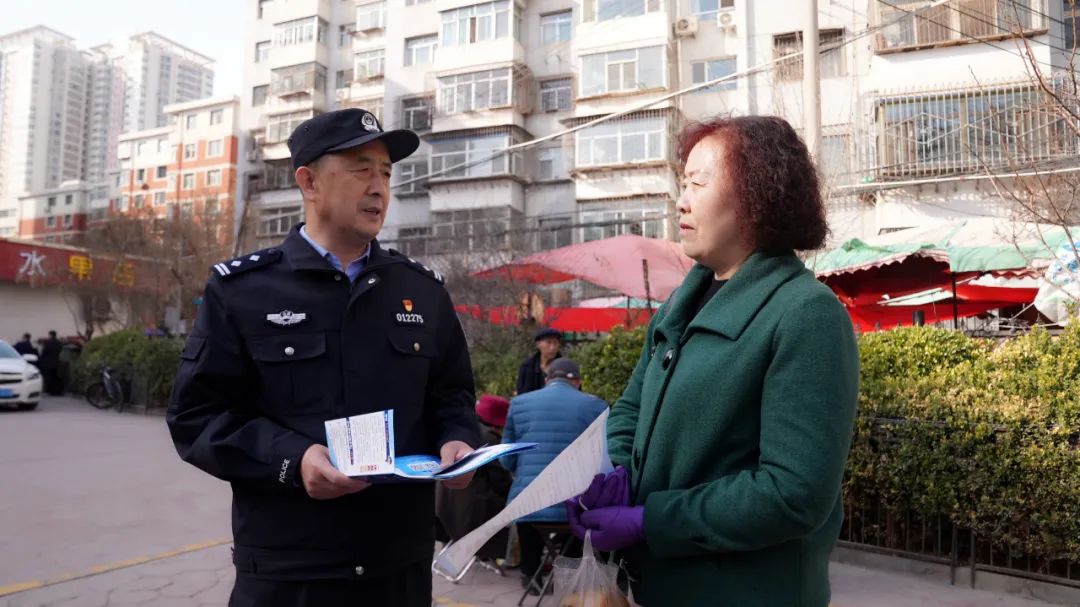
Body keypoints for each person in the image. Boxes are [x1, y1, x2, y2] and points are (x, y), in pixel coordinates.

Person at [167, 107, 482, 607]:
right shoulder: (244, 291)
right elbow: (197, 417)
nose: (379, 188)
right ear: (309, 182)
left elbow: (452, 396)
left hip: (396, 571)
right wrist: (294, 459)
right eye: (361, 169)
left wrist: (459, 440)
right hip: (290, 573)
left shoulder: (421, 291)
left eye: (386, 173)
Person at [566, 116, 860, 606]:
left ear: (757, 195)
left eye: (698, 184)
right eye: (683, 184)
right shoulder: (679, 306)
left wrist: (650, 521)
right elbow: (630, 411)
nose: (681, 201)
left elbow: (793, 491)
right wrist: (614, 474)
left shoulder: (806, 313)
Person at [503, 358, 608, 593]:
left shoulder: (518, 403)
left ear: (547, 379)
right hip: (574, 504)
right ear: (577, 382)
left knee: (527, 512)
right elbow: (602, 458)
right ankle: (569, 577)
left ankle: (531, 577)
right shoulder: (596, 405)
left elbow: (507, 458)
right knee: (577, 521)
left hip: (530, 503)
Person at [435, 395, 513, 563]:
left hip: (444, 509)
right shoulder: (489, 438)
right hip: (472, 514)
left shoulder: (454, 434)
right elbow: (500, 481)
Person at [514, 327, 561, 395]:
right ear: (538, 344)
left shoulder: (565, 366)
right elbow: (521, 392)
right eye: (548, 343)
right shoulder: (527, 366)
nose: (552, 347)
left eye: (555, 343)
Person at [39, 331, 63, 395]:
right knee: (54, 376)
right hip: (56, 362)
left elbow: (44, 352)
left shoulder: (47, 342)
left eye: (49, 335)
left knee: (47, 377)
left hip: (47, 362)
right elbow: (60, 350)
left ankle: (48, 390)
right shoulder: (58, 343)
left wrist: (41, 358)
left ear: (51, 335)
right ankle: (53, 390)